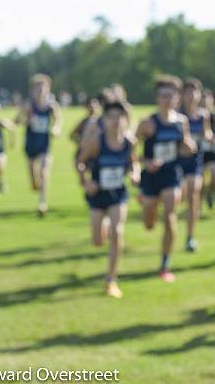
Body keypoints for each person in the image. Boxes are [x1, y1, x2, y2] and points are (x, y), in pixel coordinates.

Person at [136, 75, 196, 282]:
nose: (167, 100)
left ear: (177, 99)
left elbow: (186, 146)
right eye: (163, 96)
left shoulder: (182, 121)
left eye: (171, 96)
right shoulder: (147, 123)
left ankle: (165, 263)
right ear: (157, 98)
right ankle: (146, 206)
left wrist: (188, 148)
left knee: (170, 216)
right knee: (149, 223)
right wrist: (145, 162)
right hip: (151, 177)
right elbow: (130, 150)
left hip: (172, 174)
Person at [77, 101, 140, 298]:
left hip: (118, 194)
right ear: (103, 120)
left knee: (117, 232)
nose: (115, 121)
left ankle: (111, 279)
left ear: (125, 119)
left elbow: (134, 162)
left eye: (119, 117)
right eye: (110, 116)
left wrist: (135, 174)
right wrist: (86, 183)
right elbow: (80, 163)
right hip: (98, 194)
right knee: (97, 241)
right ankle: (102, 224)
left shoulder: (129, 142)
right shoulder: (97, 141)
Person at [14, 74, 62, 216]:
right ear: (33, 90)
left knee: (44, 171)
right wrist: (26, 121)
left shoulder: (51, 106)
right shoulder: (29, 105)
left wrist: (56, 129)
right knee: (34, 178)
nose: (41, 90)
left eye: (43, 87)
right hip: (31, 143)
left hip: (44, 144)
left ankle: (42, 203)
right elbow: (16, 121)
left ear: (48, 89)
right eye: (38, 88)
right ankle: (34, 184)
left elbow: (58, 120)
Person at [179, 78, 213, 252]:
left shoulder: (203, 116)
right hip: (176, 164)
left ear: (200, 95)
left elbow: (207, 134)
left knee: (193, 195)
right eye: (187, 92)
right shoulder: (176, 116)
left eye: (194, 92)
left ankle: (190, 236)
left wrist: (208, 137)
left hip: (195, 163)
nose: (191, 96)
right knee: (177, 198)